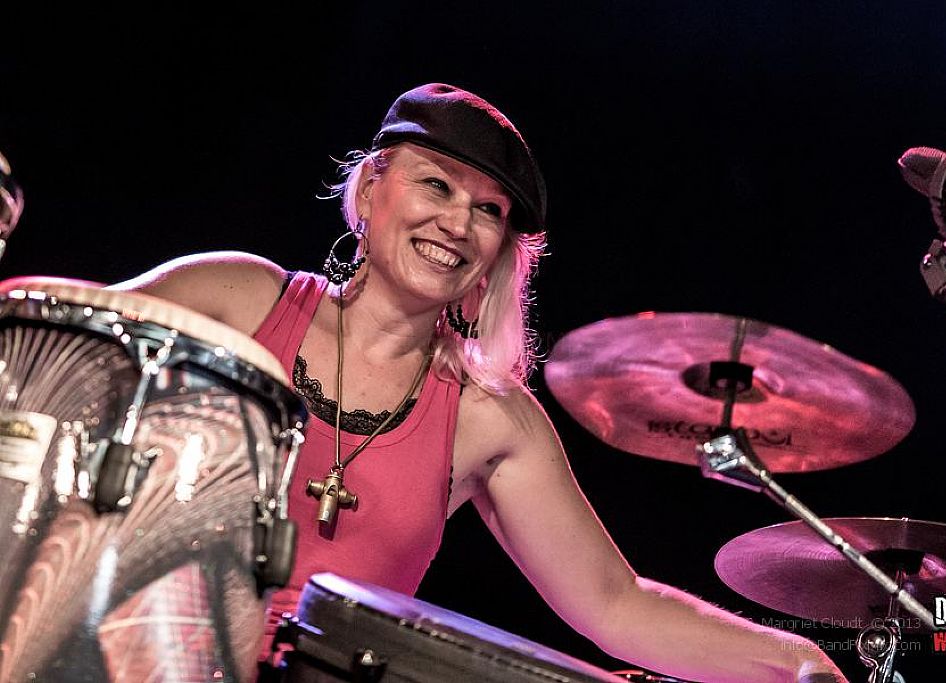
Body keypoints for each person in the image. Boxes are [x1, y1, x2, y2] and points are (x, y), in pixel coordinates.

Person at [112, 83, 848, 682]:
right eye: (436, 185)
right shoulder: (236, 299)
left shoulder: (488, 416)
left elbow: (615, 602)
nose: (457, 224)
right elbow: (57, 353)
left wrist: (796, 660)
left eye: (488, 210)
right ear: (370, 191)